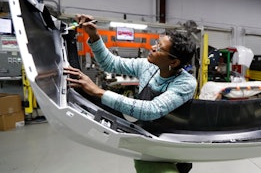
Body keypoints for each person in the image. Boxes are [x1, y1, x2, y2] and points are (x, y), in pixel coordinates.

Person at [64, 14, 197, 173]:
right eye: (156, 43)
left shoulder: (186, 83)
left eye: (159, 48)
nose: (152, 48)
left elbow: (151, 110)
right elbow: (111, 64)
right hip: (147, 140)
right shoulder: (147, 66)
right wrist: (94, 36)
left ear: (174, 62)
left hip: (173, 148)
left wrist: (99, 92)